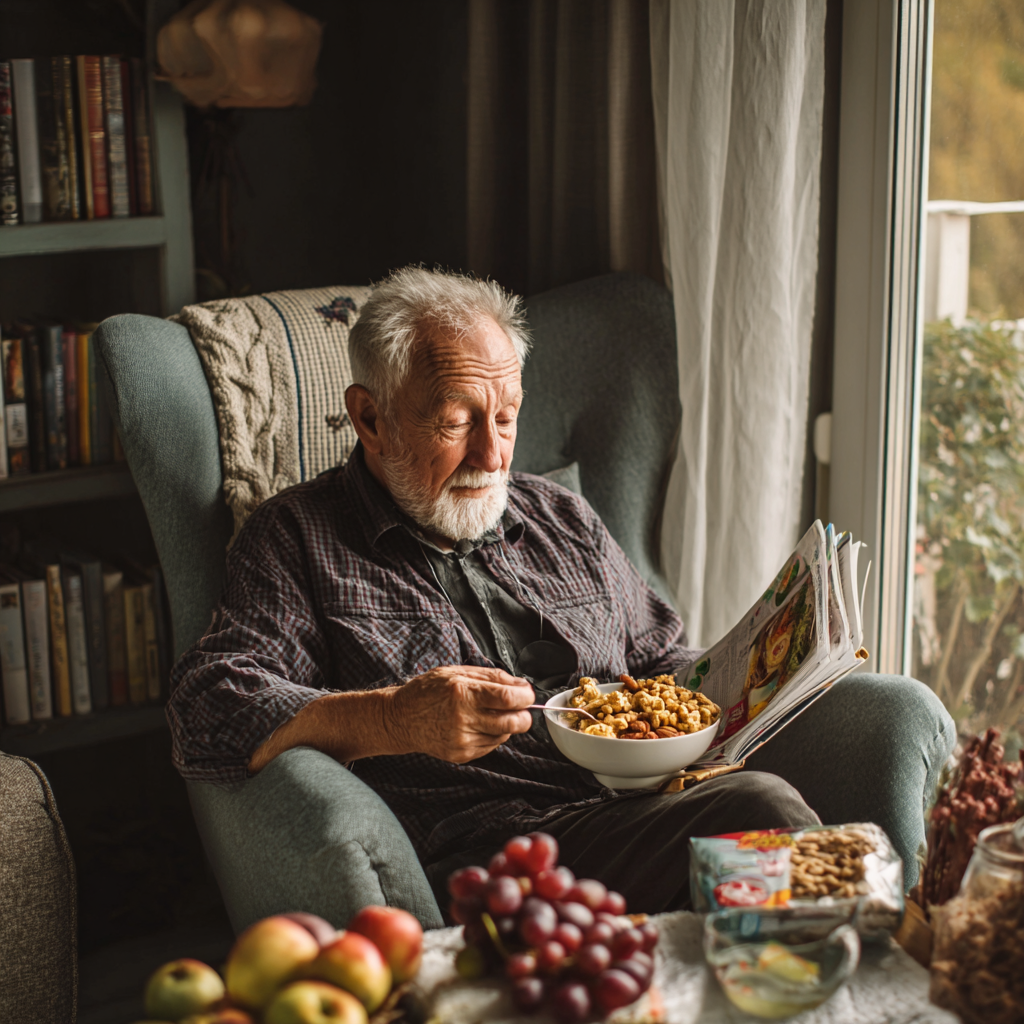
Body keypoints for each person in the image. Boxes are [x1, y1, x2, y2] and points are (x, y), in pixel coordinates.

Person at [170, 266, 954, 923]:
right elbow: (209, 710)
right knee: (762, 812)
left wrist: (768, 682)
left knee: (813, 796)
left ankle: (858, 962)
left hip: (642, 802)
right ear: (369, 417)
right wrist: (392, 716)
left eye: (507, 418)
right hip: (494, 850)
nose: (491, 453)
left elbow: (662, 661)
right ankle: (869, 966)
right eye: (457, 421)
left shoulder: (559, 516)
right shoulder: (297, 538)